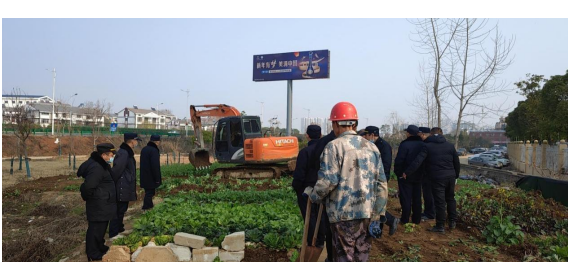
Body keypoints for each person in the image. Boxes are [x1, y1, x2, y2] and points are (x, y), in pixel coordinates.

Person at [304, 102, 388, 262]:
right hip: (367, 215)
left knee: (345, 259)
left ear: (335, 124)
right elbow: (382, 184)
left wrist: (313, 195)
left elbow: (328, 181)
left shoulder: (333, 147)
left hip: (343, 216)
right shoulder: (372, 148)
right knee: (360, 259)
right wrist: (378, 214)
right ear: (355, 123)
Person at [404, 127, 460, 232]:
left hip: (437, 178)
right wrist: (455, 175)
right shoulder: (450, 146)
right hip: (450, 177)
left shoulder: (427, 146)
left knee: (440, 202)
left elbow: (418, 161)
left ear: (430, 135)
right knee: (451, 199)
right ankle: (452, 222)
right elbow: (456, 162)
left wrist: (407, 172)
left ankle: (440, 226)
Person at [77, 143, 117, 261]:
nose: (112, 157)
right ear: (103, 155)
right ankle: (93, 253)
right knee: (95, 229)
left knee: (101, 228)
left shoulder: (102, 165)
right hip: (98, 204)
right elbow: (89, 187)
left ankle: (99, 246)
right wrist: (97, 197)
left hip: (103, 202)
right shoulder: (97, 168)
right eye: (111, 155)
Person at [292, 125, 325, 248]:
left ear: (307, 136)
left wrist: (296, 187)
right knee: (321, 213)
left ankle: (312, 241)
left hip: (307, 188)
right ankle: (321, 238)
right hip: (323, 187)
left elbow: (300, 174)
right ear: (321, 135)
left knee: (309, 214)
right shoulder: (326, 150)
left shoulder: (305, 152)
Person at [363, 126, 400, 235]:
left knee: (377, 205)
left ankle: (386, 223)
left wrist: (383, 179)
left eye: (367, 135)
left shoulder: (384, 146)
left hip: (379, 180)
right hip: (372, 179)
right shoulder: (372, 145)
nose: (365, 137)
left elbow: (386, 165)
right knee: (373, 204)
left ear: (372, 135)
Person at [307, 129, 337, 261]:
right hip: (361, 207)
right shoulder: (368, 146)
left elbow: (326, 178)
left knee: (332, 230)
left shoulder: (327, 144)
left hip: (333, 200)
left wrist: (315, 196)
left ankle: (331, 258)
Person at [109, 133, 141, 239]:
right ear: (131, 141)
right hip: (122, 185)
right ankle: (114, 232)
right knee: (118, 209)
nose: (137, 143)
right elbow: (117, 170)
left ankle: (119, 228)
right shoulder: (124, 153)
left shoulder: (127, 152)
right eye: (136, 141)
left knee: (122, 208)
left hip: (125, 184)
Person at [394, 125, 425, 225]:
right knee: (417, 197)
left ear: (408, 133)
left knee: (406, 197)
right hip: (419, 175)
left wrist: (398, 173)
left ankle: (405, 219)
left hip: (405, 175)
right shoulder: (423, 144)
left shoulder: (405, 144)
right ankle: (417, 219)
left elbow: (399, 160)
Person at [140, 135, 162, 210]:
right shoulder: (154, 150)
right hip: (151, 176)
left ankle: (150, 206)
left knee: (148, 192)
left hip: (144, 174)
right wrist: (157, 178)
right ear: (157, 142)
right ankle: (146, 207)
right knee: (150, 193)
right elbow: (155, 165)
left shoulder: (144, 149)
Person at [418, 127, 435, 221]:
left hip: (429, 173)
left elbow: (419, 160)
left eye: (419, 134)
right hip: (433, 173)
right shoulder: (433, 143)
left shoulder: (427, 145)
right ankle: (431, 212)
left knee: (428, 194)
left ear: (423, 134)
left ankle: (430, 213)